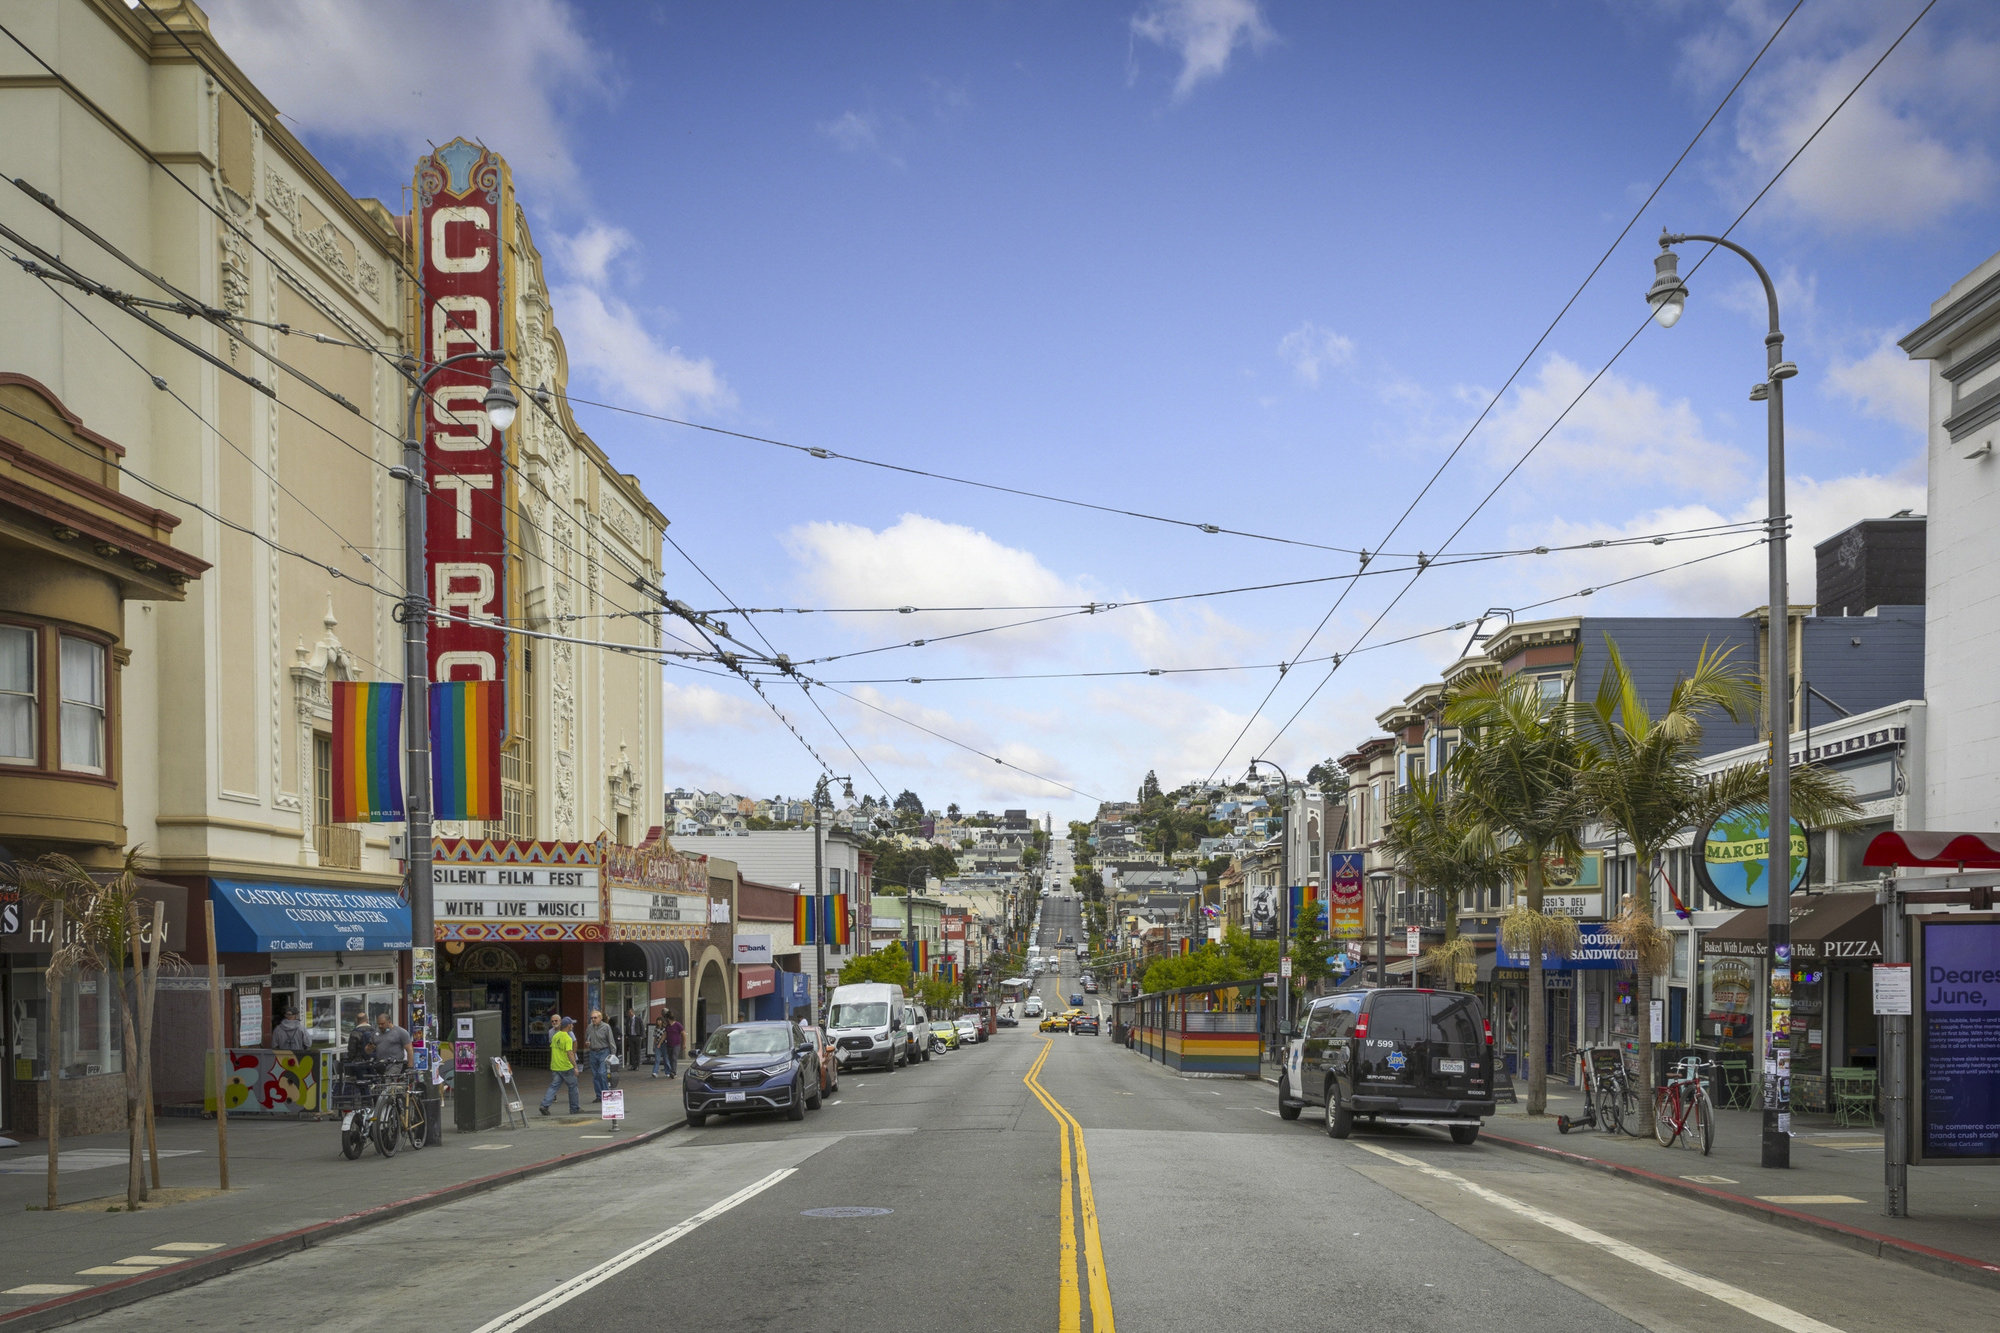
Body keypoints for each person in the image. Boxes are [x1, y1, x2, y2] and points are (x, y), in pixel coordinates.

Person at [539, 1016, 581, 1116]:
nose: (573, 1026)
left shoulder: (555, 1036)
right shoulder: (567, 1038)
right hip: (566, 1067)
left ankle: (544, 1105)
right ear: (568, 1025)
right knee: (573, 1087)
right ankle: (574, 1108)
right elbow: (570, 1053)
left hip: (555, 1066)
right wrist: (575, 1066)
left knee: (553, 1086)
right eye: (571, 1024)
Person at [584, 1008, 615, 1102]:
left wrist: (613, 1054)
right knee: (595, 1075)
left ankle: (606, 1094)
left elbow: (611, 1040)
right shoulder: (589, 1027)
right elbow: (587, 1038)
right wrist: (587, 1043)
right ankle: (598, 1096)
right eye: (592, 1018)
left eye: (595, 1018)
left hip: (603, 1051)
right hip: (593, 1052)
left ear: (600, 1018)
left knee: (602, 1073)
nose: (593, 1019)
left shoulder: (606, 1027)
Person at [646, 1013, 669, 1078]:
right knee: (657, 1059)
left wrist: (659, 1044)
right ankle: (655, 1072)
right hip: (657, 1044)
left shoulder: (665, 1028)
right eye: (657, 1020)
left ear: (662, 1021)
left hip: (664, 1044)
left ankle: (668, 1072)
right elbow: (655, 1037)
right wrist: (654, 1045)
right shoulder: (656, 1028)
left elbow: (664, 1037)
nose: (658, 1022)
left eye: (659, 1020)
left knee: (666, 1059)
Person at [664, 1012, 683, 1078]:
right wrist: (660, 1042)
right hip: (669, 1044)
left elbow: (683, 1033)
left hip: (676, 1044)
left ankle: (673, 1072)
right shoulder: (668, 1026)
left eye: (666, 1018)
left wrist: (684, 1044)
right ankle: (672, 1070)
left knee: (674, 1058)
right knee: (670, 1058)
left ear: (668, 1018)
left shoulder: (678, 1025)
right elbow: (665, 1034)